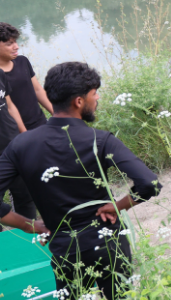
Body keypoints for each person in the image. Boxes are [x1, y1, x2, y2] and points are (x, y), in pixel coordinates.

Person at [0, 62, 162, 299]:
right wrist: (117, 206)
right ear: (78, 101)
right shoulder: (100, 139)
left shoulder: (21, 145)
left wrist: (30, 225)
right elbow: (150, 184)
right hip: (109, 245)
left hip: (65, 250)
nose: (97, 99)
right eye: (94, 93)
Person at [0, 63, 37, 224]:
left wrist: (24, 136)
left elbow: (9, 106)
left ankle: (31, 242)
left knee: (26, 197)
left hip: (12, 146)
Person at [0, 23, 53, 131]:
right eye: (10, 44)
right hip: (14, 132)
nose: (16, 47)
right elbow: (9, 108)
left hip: (40, 123)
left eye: (15, 41)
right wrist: (24, 134)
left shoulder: (22, 61)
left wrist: (58, 115)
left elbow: (38, 90)